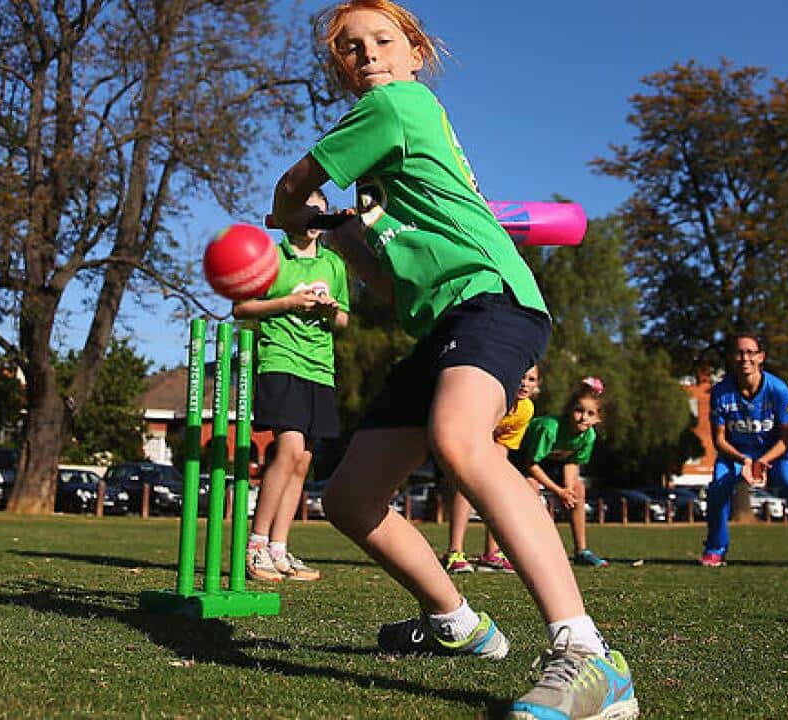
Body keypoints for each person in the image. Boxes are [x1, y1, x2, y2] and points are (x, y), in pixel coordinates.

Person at [268, 3, 638, 718]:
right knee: (348, 498)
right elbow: (388, 283)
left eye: (382, 40)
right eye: (349, 48)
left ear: (415, 52)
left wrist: (291, 214)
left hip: (493, 301)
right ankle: (456, 622)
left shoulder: (398, 105)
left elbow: (290, 185)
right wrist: (341, 236)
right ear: (338, 67)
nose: (366, 54)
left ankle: (589, 654)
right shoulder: (380, 173)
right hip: (441, 324)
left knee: (460, 440)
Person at [232, 189, 349, 582]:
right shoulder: (271, 258)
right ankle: (256, 545)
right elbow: (241, 308)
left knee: (303, 460)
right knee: (288, 449)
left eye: (321, 212)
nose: (314, 218)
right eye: (307, 210)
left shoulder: (333, 264)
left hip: (320, 368)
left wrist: (330, 310)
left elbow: (345, 321)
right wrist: (287, 303)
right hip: (280, 359)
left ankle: (280, 550)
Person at [701, 333, 788, 568]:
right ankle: (715, 549)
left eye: (750, 352)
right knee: (718, 487)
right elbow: (719, 440)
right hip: (735, 454)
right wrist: (746, 461)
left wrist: (762, 462)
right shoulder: (720, 391)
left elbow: (786, 439)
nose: (744, 358)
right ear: (731, 358)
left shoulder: (779, 389)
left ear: (761, 357)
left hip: (775, 454)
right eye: (739, 353)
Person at [441, 365, 540, 575]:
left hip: (490, 444)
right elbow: (471, 432)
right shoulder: (494, 397)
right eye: (521, 377)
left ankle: (491, 554)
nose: (525, 383)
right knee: (466, 484)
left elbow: (502, 446)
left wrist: (496, 475)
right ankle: (454, 552)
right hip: (463, 437)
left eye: (531, 379)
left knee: (496, 487)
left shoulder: (526, 409)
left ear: (537, 385)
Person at [519, 377, 610, 568]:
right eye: (579, 411)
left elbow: (572, 462)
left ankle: (581, 551)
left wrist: (567, 489)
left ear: (597, 418)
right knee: (530, 487)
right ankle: (533, 549)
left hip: (553, 463)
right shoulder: (548, 428)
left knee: (578, 489)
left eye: (590, 413)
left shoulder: (589, 435)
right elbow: (530, 464)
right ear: (569, 410)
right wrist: (557, 491)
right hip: (524, 460)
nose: (584, 417)